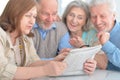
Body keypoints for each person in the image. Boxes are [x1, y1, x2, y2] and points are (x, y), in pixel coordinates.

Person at [0, 0, 67, 79]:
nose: (32, 21)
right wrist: (45, 70)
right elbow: (3, 71)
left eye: (34, 17)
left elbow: (32, 62)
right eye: (28, 15)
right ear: (14, 14)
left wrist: (55, 60)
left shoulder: (25, 37)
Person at [62, 0, 108, 71]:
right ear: (66, 16)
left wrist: (82, 46)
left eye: (80, 17)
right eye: (71, 15)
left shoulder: (93, 34)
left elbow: (103, 64)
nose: (74, 20)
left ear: (86, 21)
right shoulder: (60, 31)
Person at [89, 0, 120, 71]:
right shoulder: (91, 33)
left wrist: (106, 44)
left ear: (114, 15)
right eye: (94, 16)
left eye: (102, 16)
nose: (97, 22)